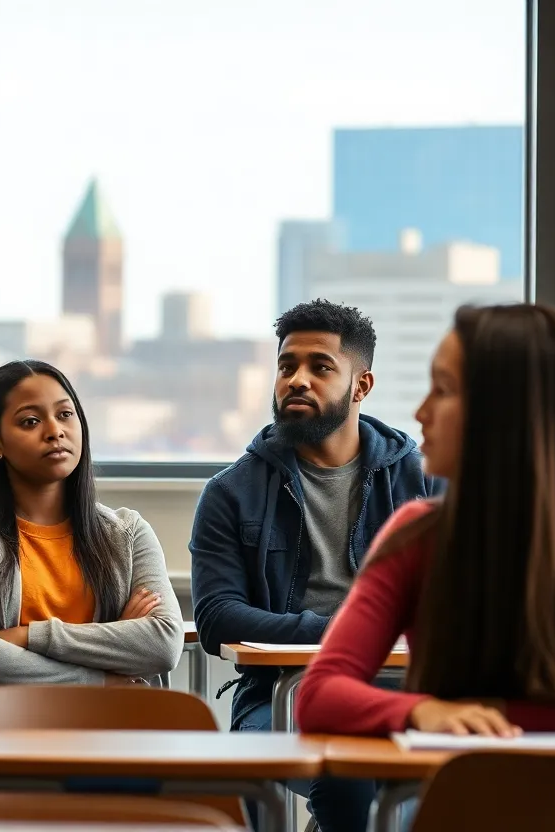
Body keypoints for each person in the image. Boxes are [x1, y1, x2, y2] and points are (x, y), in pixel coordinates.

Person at [296, 303, 555, 744]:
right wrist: (422, 711)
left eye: (444, 389)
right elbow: (320, 695)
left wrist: (496, 716)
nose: (421, 412)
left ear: (511, 412)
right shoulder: (418, 535)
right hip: (465, 805)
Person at [189, 299, 440, 832]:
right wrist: (343, 633)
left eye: (320, 367)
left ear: (362, 385)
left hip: (412, 695)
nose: (297, 380)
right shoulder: (230, 493)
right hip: (280, 700)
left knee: (449, 782)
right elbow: (217, 618)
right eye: (287, 366)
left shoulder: (424, 486)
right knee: (345, 772)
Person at [0, 360, 184, 728]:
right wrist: (98, 678)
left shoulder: (126, 532)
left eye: (65, 415)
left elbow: (163, 643)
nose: (55, 431)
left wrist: (28, 636)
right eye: (30, 421)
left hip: (111, 737)